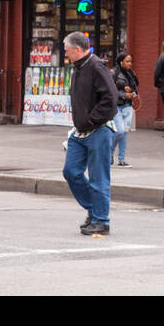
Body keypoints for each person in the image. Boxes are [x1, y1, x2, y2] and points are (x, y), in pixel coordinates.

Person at [62, 32, 118, 236]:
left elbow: (110, 100)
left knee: (98, 178)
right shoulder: (78, 67)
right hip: (80, 131)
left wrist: (91, 119)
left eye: (67, 50)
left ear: (78, 49)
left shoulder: (96, 66)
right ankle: (94, 210)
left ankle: (101, 221)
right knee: (71, 171)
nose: (65, 54)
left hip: (99, 129)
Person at [112, 52, 139, 167]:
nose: (130, 64)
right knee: (120, 131)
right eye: (127, 61)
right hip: (116, 105)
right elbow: (110, 91)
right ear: (120, 62)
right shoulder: (113, 73)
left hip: (127, 105)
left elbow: (135, 88)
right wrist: (123, 94)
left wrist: (132, 93)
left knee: (124, 133)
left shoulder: (131, 73)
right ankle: (108, 153)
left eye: (131, 61)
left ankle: (121, 159)